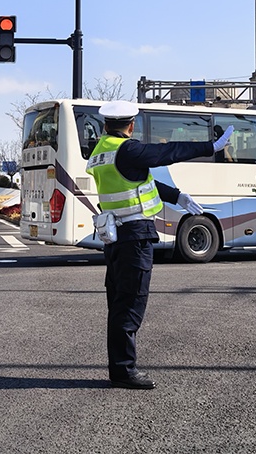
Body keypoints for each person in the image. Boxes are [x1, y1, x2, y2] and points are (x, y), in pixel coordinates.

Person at [86, 100, 233, 390]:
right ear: (131, 126)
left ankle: (120, 367)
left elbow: (139, 184)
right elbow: (166, 152)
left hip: (115, 237)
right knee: (130, 305)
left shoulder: (102, 150)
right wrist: (209, 147)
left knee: (119, 303)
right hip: (134, 238)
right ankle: (124, 371)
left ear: (106, 125)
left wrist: (176, 196)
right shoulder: (127, 149)